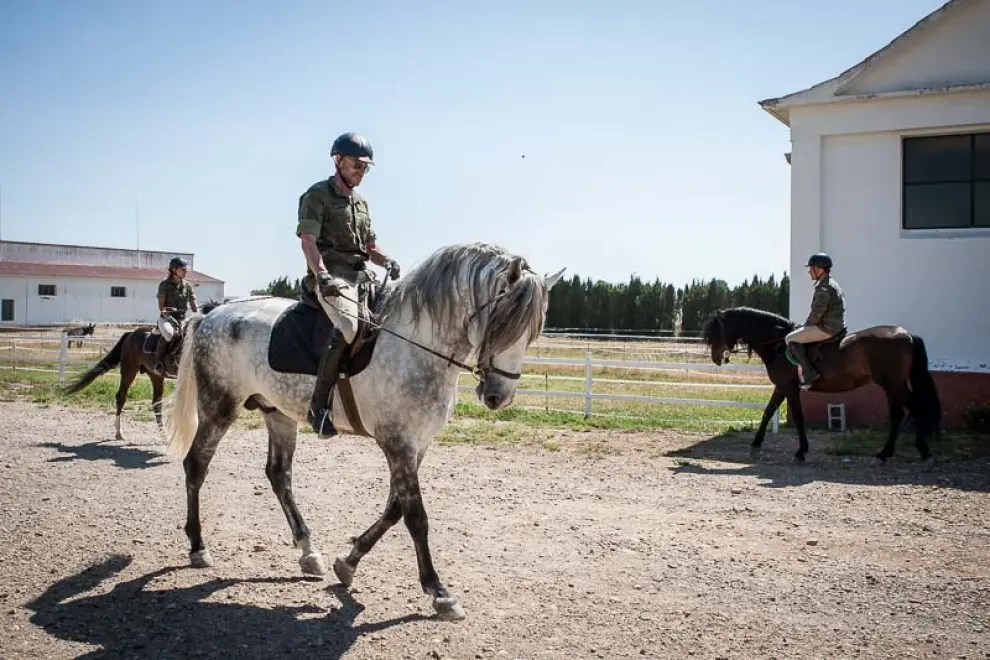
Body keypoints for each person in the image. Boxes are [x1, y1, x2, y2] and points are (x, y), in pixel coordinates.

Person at [296, 131, 400, 438]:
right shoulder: (317, 195)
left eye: (365, 167)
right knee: (348, 327)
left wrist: (387, 260)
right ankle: (319, 407)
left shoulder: (361, 203)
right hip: (332, 279)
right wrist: (321, 275)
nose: (361, 171)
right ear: (338, 160)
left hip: (361, 276)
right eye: (356, 165)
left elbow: (371, 246)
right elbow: (308, 241)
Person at [786, 252, 845, 389]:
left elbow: (816, 315)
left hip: (827, 328)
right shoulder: (830, 283)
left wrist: (804, 327)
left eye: (811, 268)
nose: (809, 272)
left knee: (790, 339)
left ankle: (810, 373)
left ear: (819, 269)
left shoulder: (825, 288)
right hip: (833, 325)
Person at [150, 256, 198, 377]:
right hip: (167, 318)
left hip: (182, 319)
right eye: (183, 269)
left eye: (186, 269)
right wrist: (167, 311)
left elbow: (193, 305)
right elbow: (161, 307)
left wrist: (199, 314)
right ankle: (158, 363)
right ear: (174, 270)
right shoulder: (164, 285)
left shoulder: (188, 286)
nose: (186, 271)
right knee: (170, 335)